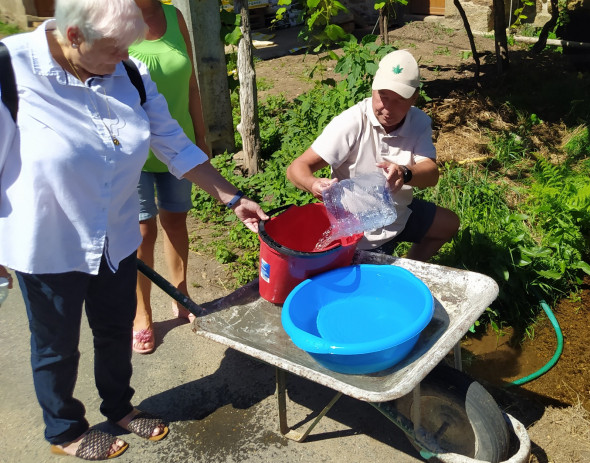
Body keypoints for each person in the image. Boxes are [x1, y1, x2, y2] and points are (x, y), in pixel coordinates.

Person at [0, 0, 268, 460]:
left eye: (129, 48)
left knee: (113, 328)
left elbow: (175, 145)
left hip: (116, 236)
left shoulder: (130, 72)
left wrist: (231, 197)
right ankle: (64, 430)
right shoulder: (11, 70)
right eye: (115, 49)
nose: (126, 59)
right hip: (47, 241)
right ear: (74, 36)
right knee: (56, 345)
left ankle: (121, 407)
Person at [286, 49, 459, 262]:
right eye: (383, 97)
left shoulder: (419, 122)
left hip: (398, 212)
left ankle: (411, 266)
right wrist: (313, 184)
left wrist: (405, 173)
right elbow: (297, 167)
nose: (387, 108)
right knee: (376, 284)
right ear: (373, 88)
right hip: (360, 229)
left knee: (448, 223)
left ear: (414, 97)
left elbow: (431, 175)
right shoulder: (352, 122)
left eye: (399, 100)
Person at [128, 0, 209, 354]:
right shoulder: (115, 20)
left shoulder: (174, 16)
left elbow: (190, 83)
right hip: (134, 151)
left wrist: (202, 138)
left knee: (176, 220)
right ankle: (141, 312)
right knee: (142, 230)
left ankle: (180, 293)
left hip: (178, 143)